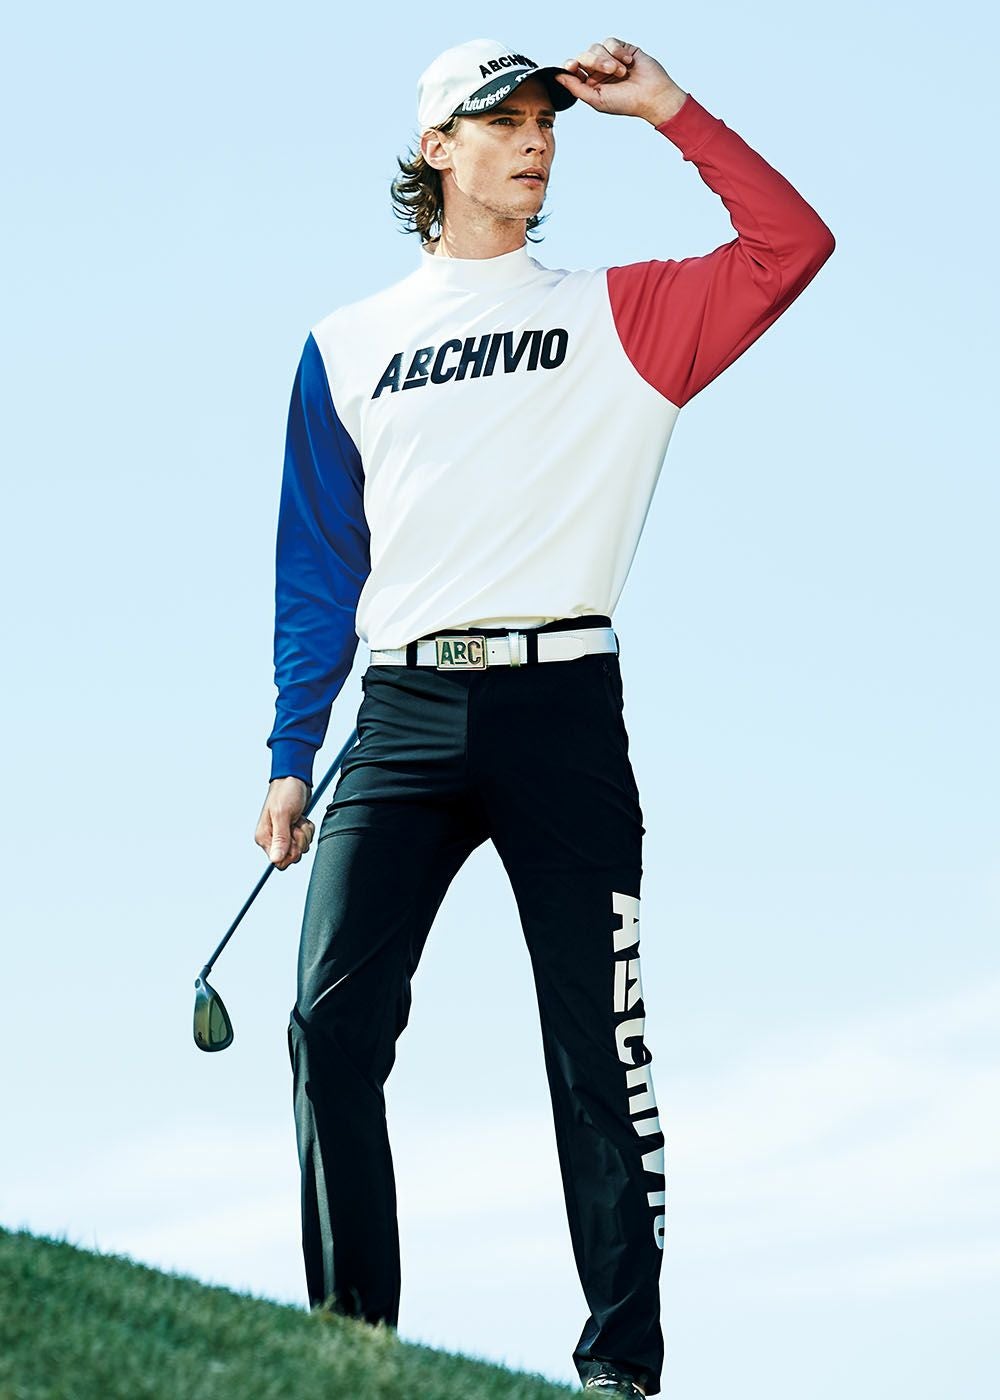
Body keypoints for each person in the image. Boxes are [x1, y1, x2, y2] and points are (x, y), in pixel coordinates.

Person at [254, 36, 834, 1399]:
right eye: (502, 121)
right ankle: (351, 1351)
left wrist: (669, 110)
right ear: (437, 151)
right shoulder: (344, 348)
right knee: (329, 1030)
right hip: (400, 715)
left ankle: (618, 1367)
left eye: (547, 121)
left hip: (562, 709)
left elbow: (790, 245)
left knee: (597, 1044)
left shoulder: (625, 314)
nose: (535, 139)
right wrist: (290, 755)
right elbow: (318, 571)